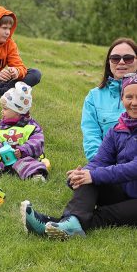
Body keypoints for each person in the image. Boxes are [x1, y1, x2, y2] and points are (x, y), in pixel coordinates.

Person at [22, 73, 137, 239]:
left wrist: (93, 175)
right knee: (86, 176)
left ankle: (48, 223)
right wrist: (80, 175)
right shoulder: (117, 130)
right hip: (122, 192)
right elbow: (99, 161)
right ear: (122, 98)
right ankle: (67, 224)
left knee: (104, 213)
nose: (134, 102)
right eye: (129, 97)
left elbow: (133, 168)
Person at [81, 38, 137, 160]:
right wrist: (101, 166)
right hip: (105, 165)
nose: (121, 62)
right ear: (109, 62)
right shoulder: (93, 97)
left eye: (128, 58)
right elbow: (91, 137)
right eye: (115, 58)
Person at [0, 82, 49, 181]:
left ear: (18, 111)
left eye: (5, 109)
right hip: (2, 157)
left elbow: (37, 142)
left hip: (21, 158)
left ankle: (35, 175)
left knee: (29, 164)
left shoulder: (31, 127)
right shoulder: (1, 126)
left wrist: (23, 150)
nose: (2, 111)